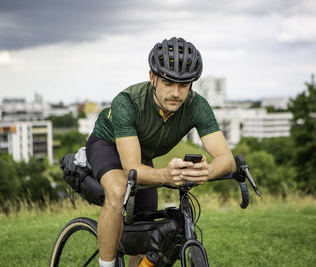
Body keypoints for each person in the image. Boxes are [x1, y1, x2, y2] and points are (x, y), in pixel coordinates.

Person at [85, 37, 234, 267]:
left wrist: (207, 171)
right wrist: (166, 176)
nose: (176, 92)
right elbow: (131, 168)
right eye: (168, 83)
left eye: (183, 85)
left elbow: (226, 159)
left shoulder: (197, 105)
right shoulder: (128, 102)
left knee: (145, 237)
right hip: (107, 146)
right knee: (118, 191)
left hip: (142, 157)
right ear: (152, 78)